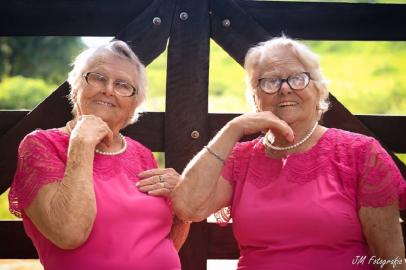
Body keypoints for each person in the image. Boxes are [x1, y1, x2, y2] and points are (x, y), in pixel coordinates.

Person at [169, 37, 406, 269]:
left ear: (320, 90)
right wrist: (234, 128)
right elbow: (188, 208)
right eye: (270, 82)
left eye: (297, 78)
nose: (284, 89)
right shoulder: (241, 159)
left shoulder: (361, 154)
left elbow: (390, 260)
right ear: (255, 97)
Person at [8, 40, 188, 270]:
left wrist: (182, 207)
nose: (108, 89)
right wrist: (82, 143)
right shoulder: (41, 146)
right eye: (98, 77)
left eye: (123, 85)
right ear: (75, 89)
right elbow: (69, 233)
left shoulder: (142, 154)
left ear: (134, 104)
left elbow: (160, 242)